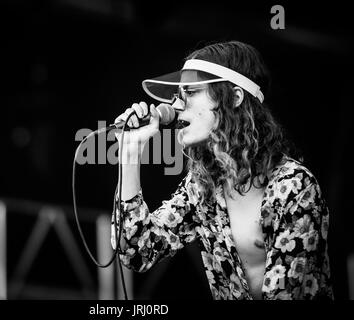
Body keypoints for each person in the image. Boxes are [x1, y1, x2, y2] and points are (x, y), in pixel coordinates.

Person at [110, 41, 333, 300]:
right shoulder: (204, 185)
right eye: (178, 95)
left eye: (190, 92)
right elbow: (137, 251)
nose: (177, 106)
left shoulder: (294, 186)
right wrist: (130, 153)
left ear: (235, 97)